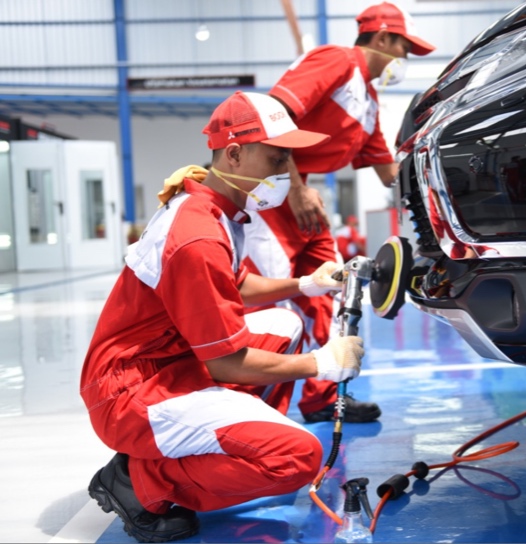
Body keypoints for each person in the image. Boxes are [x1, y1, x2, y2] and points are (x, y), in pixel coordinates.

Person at [80, 91, 366, 543]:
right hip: (131, 393)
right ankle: (139, 483)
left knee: (286, 324)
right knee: (297, 458)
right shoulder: (197, 235)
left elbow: (237, 283)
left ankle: (224, 443)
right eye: (276, 158)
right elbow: (225, 363)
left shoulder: (213, 209)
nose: (285, 172)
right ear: (234, 154)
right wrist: (321, 364)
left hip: (166, 362)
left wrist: (305, 284)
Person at [242, 2, 435, 423]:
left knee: (332, 288)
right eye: (404, 48)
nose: (404, 58)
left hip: (300, 196)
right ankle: (241, 407)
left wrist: (441, 176)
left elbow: (389, 171)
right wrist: (296, 188)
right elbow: (274, 113)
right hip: (268, 194)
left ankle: (322, 398)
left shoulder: (368, 101)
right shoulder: (336, 61)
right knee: (269, 301)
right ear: (382, 38)